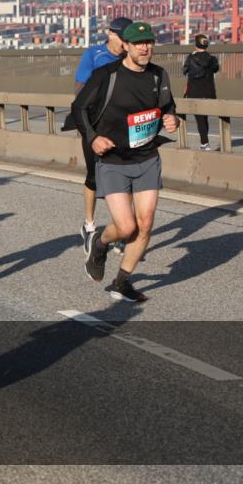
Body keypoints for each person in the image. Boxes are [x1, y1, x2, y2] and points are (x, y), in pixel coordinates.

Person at [71, 21, 179, 303]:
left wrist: (172, 118)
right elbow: (79, 107)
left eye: (149, 43)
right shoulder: (107, 75)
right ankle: (100, 242)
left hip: (147, 157)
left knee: (145, 223)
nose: (145, 48)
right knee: (127, 227)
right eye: (138, 44)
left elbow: (167, 106)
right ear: (126, 46)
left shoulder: (158, 75)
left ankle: (122, 282)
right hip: (113, 161)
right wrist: (93, 137)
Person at [65, 16, 130, 256]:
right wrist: (89, 121)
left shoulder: (130, 57)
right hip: (95, 125)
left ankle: (122, 230)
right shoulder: (94, 55)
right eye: (123, 37)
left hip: (121, 126)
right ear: (111, 34)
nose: (126, 42)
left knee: (123, 177)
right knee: (94, 176)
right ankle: (89, 225)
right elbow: (79, 89)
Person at [182, 33, 220, 151]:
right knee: (204, 117)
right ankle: (205, 142)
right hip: (208, 91)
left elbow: (184, 71)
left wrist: (192, 56)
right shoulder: (212, 59)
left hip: (194, 91)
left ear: (196, 44)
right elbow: (216, 69)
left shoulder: (191, 58)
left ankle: (205, 143)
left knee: (199, 118)